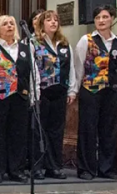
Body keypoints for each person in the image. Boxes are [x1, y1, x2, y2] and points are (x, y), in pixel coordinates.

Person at [0, 15, 39, 183]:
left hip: (20, 97)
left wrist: (34, 96)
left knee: (18, 135)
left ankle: (16, 170)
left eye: (12, 23)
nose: (10, 26)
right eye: (5, 24)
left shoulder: (26, 48)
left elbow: (33, 74)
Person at [70, 5, 117, 180]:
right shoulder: (86, 40)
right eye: (98, 17)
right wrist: (75, 90)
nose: (101, 20)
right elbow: (78, 66)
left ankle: (107, 168)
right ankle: (86, 168)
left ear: (112, 19)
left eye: (105, 17)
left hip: (110, 91)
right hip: (90, 89)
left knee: (109, 130)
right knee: (88, 129)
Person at [32, 10, 73, 180]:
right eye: (49, 20)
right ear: (42, 23)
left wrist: (72, 89)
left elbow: (71, 68)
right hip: (42, 92)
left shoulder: (64, 44)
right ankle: (37, 166)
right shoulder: (33, 42)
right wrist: (34, 92)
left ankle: (54, 166)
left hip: (60, 91)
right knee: (39, 131)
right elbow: (32, 69)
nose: (53, 23)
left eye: (56, 20)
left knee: (56, 131)